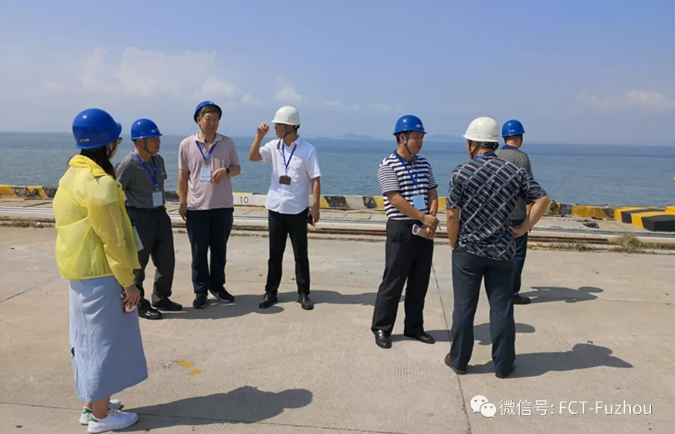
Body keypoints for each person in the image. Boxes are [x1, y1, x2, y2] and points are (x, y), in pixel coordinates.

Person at [53, 108, 147, 433]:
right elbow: (114, 241)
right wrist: (129, 283)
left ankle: (92, 405)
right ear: (108, 144)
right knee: (103, 343)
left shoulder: (71, 175)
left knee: (85, 341)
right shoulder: (101, 185)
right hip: (102, 273)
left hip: (80, 273)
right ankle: (101, 417)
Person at [444, 116, 550, 379]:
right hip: (503, 250)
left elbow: (452, 214)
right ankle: (503, 365)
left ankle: (459, 360)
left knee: (464, 307)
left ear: (473, 144)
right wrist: (524, 227)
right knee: (502, 308)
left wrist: (454, 242)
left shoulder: (461, 172)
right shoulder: (514, 171)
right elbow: (542, 199)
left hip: (469, 250)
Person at [371, 115, 439, 349]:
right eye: (416, 137)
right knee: (393, 280)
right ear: (402, 137)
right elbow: (395, 198)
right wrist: (422, 216)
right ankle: (382, 327)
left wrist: (431, 217)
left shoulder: (424, 164)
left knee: (420, 281)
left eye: (422, 137)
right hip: (401, 228)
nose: (420, 142)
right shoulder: (388, 165)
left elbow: (432, 192)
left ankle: (414, 326)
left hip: (423, 228)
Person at [248, 106, 321, 311]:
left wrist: (315, 206)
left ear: (291, 127)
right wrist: (259, 137)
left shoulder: (308, 150)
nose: (275, 128)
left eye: (279, 125)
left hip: (297, 209)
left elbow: (315, 179)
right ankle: (271, 292)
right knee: (275, 254)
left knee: (300, 254)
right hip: (276, 209)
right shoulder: (274, 146)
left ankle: (304, 293)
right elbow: (253, 157)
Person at [116, 118, 182, 320]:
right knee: (138, 263)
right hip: (139, 216)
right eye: (153, 139)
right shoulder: (128, 164)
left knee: (166, 260)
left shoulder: (158, 161)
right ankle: (139, 302)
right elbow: (116, 191)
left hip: (159, 214)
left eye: (158, 138)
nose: (157, 142)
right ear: (139, 141)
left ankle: (161, 297)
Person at [178, 101, 241, 309]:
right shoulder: (186, 144)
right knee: (198, 253)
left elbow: (237, 168)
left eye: (216, 119)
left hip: (222, 207)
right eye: (208, 119)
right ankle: (200, 290)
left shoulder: (227, 143)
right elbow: (183, 175)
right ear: (198, 120)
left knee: (219, 252)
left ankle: (218, 286)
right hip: (197, 208)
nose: (212, 123)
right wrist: (182, 202)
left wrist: (226, 171)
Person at [495, 119, 534, 305]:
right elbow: (530, 191)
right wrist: (530, 219)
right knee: (517, 256)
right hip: (517, 215)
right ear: (520, 138)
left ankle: (497, 291)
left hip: (495, 214)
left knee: (497, 254)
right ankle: (512, 293)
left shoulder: (495, 155)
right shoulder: (522, 158)